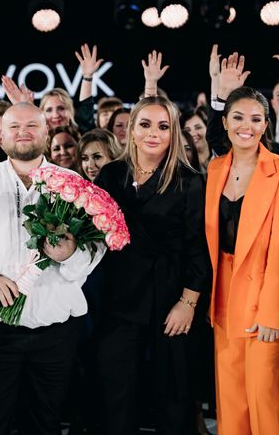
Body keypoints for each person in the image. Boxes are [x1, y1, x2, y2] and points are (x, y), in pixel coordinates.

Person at [0, 101, 105, 435]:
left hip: (55, 331)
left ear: (46, 133)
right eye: (14, 127)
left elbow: (97, 245)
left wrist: (70, 255)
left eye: (32, 126)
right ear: (0, 136)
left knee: (45, 423)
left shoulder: (73, 184)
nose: (23, 133)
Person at [94, 88, 211, 432]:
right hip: (119, 299)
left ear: (173, 133)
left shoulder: (190, 181)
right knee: (116, 396)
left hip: (170, 298)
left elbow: (198, 248)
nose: (153, 133)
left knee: (172, 399)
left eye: (163, 126)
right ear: (131, 129)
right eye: (145, 124)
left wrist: (188, 303)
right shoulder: (111, 174)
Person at [205, 87, 279, 435]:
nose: (246, 126)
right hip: (222, 295)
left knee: (265, 399)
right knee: (230, 400)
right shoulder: (215, 168)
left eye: (256, 119)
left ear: (265, 125)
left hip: (263, 297)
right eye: (238, 117)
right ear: (225, 122)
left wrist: (273, 313)